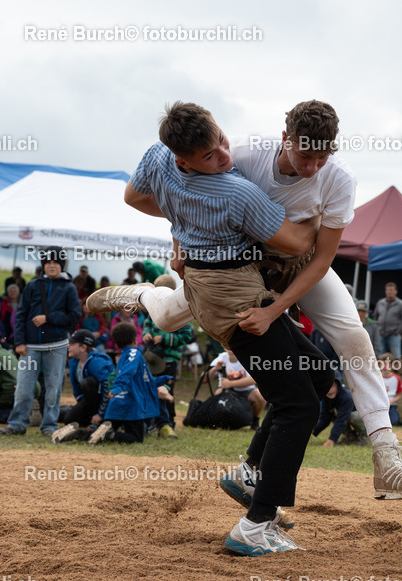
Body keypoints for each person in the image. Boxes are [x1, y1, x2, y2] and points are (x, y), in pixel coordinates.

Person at [89, 100, 402, 503]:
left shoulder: (338, 179)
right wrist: (180, 240)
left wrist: (275, 308)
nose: (312, 167)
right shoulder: (245, 157)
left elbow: (320, 258)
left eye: (322, 157)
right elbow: (188, 199)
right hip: (239, 270)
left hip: (301, 266)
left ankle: (386, 457)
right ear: (285, 139)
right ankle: (143, 293)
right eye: (305, 155)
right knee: (165, 318)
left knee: (353, 336)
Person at [95, 101, 334, 555]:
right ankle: (256, 524)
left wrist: (181, 221)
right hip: (233, 300)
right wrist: (326, 202)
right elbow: (299, 240)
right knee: (297, 403)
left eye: (222, 141)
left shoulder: (158, 157)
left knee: (318, 376)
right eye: (209, 156)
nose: (224, 156)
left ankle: (250, 472)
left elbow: (133, 197)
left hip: (210, 283)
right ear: (184, 158)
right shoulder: (234, 193)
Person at [0, 247, 82, 437]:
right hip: (30, 347)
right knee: (24, 389)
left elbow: (74, 316)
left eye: (55, 262)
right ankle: (17, 424)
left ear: (61, 265)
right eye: (48, 262)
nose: (51, 266)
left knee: (53, 390)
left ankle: (49, 426)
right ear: (43, 265)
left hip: (57, 346)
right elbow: (21, 314)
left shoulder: (69, 288)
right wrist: (18, 342)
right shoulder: (33, 285)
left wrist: (49, 317)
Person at [87, 322, 168, 445]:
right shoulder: (134, 354)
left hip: (117, 404)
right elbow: (127, 373)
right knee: (136, 439)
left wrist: (164, 379)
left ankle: (76, 434)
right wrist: (117, 388)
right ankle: (112, 434)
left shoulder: (123, 355)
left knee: (100, 434)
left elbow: (145, 380)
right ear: (135, 339)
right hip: (131, 405)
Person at [144, 274, 194, 439]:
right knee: (152, 388)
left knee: (166, 390)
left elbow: (187, 336)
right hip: (152, 357)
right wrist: (146, 335)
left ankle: (168, 423)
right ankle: (152, 423)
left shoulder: (180, 310)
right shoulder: (153, 309)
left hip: (170, 359)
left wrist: (163, 338)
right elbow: (148, 325)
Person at [49, 328, 115, 442]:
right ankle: (91, 420)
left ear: (83, 347)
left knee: (87, 383)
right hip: (90, 402)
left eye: (72, 344)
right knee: (69, 419)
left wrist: (100, 414)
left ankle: (102, 421)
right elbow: (77, 390)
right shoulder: (74, 361)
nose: (68, 347)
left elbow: (108, 387)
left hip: (106, 404)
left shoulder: (97, 361)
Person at [208, 348, 267, 422]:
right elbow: (204, 380)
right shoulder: (221, 358)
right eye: (226, 344)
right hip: (227, 392)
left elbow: (254, 379)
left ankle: (254, 420)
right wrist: (214, 369)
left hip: (246, 391)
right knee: (218, 394)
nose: (229, 347)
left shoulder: (246, 357)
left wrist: (230, 384)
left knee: (259, 396)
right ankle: (221, 421)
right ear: (223, 346)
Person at [313, 376, 363, 447]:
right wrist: (314, 430)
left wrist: (332, 439)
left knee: (351, 416)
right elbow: (325, 418)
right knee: (333, 414)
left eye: (332, 386)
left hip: (365, 419)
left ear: (338, 385)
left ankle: (364, 436)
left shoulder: (346, 397)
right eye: (326, 387)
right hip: (346, 417)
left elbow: (342, 420)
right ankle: (350, 436)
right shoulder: (326, 399)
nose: (329, 390)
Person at [374, 282, 402, 357]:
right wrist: (377, 328)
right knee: (380, 356)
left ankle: (396, 369)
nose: (389, 292)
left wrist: (397, 331)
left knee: (396, 357)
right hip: (381, 334)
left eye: (391, 290)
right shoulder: (380, 303)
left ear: (396, 292)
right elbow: (375, 317)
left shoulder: (400, 304)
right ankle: (381, 369)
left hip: (393, 335)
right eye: (387, 290)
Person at [378, 353, 402, 426]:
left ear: (392, 366)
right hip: (379, 405)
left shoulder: (396, 378)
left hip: (391, 405)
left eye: (387, 364)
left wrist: (392, 401)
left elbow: (399, 395)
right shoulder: (377, 378)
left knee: (394, 422)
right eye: (382, 364)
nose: (384, 367)